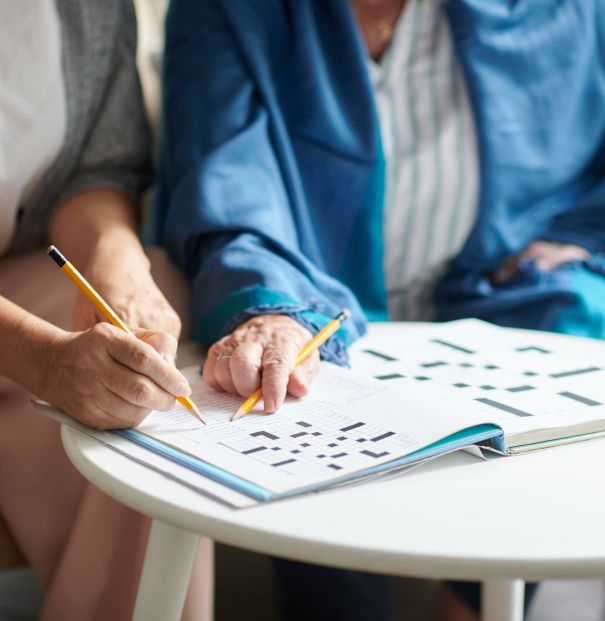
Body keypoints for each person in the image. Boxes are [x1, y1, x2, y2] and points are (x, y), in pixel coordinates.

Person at [155, 0, 605, 619]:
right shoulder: (228, 12)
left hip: (503, 307)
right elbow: (227, 189)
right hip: (318, 311)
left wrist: (584, 236)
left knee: (573, 339)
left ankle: (473, 605)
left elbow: (586, 168)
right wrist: (276, 308)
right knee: (288, 394)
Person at [0, 1, 212, 619]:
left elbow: (93, 172)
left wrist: (124, 275)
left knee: (145, 341)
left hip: (4, 266)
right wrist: (43, 360)